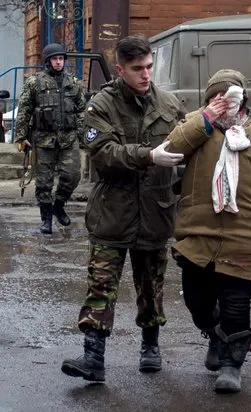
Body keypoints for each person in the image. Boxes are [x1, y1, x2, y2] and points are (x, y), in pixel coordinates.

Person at [165, 69, 251, 393]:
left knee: (235, 306)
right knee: (197, 302)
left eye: (228, 96)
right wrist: (205, 118)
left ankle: (231, 364)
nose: (221, 102)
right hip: (198, 237)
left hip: (247, 239)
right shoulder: (197, 128)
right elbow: (171, 149)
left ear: (242, 98)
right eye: (214, 97)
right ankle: (215, 335)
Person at [61, 36, 186, 382]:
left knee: (151, 286)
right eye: (137, 69)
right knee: (101, 286)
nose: (146, 74)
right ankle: (93, 358)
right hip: (112, 212)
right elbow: (104, 152)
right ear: (120, 70)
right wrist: (149, 155)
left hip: (155, 210)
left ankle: (150, 347)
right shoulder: (100, 106)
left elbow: (191, 144)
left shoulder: (170, 104)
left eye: (149, 67)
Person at [13, 43, 85, 234]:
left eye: (61, 59)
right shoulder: (34, 82)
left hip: (68, 139)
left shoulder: (73, 82)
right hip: (44, 140)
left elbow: (81, 110)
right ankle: (46, 218)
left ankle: (59, 205)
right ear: (48, 61)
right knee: (44, 182)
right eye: (55, 59)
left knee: (72, 175)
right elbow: (24, 110)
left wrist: (83, 135)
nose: (58, 62)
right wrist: (21, 137)